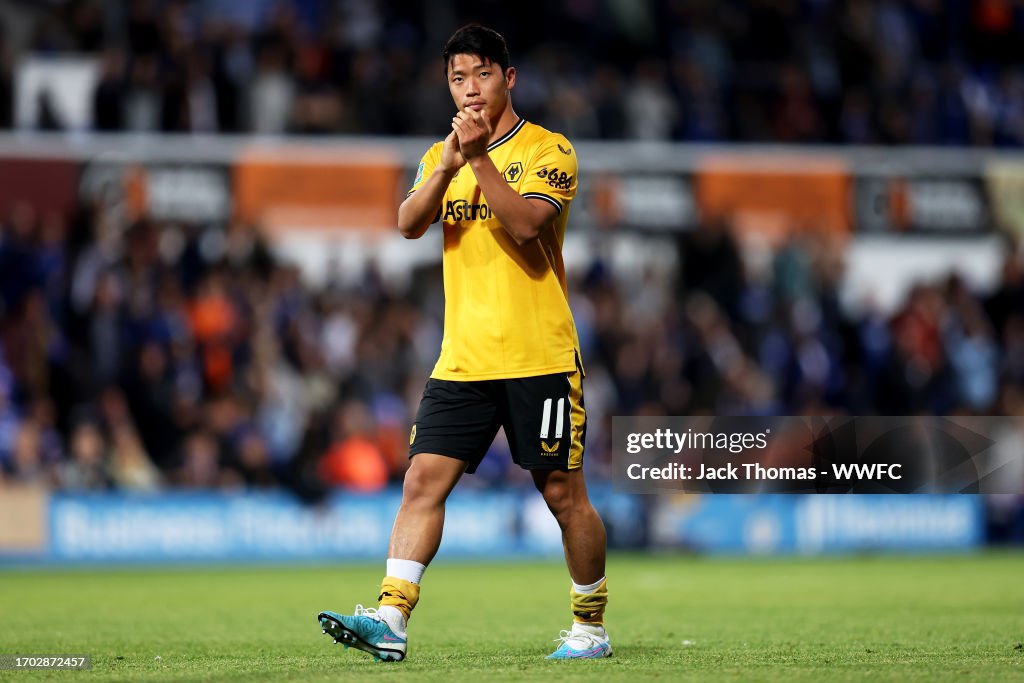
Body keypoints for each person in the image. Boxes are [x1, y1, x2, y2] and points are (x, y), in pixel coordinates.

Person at [317, 24, 611, 661]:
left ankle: (590, 626)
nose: (470, 89)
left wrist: (476, 158)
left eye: (481, 74)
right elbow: (407, 224)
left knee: (563, 494)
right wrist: (450, 161)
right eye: (457, 78)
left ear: (509, 78)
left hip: (540, 354)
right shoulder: (439, 156)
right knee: (422, 480)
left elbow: (529, 225)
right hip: (464, 359)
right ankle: (391, 618)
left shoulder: (548, 150)